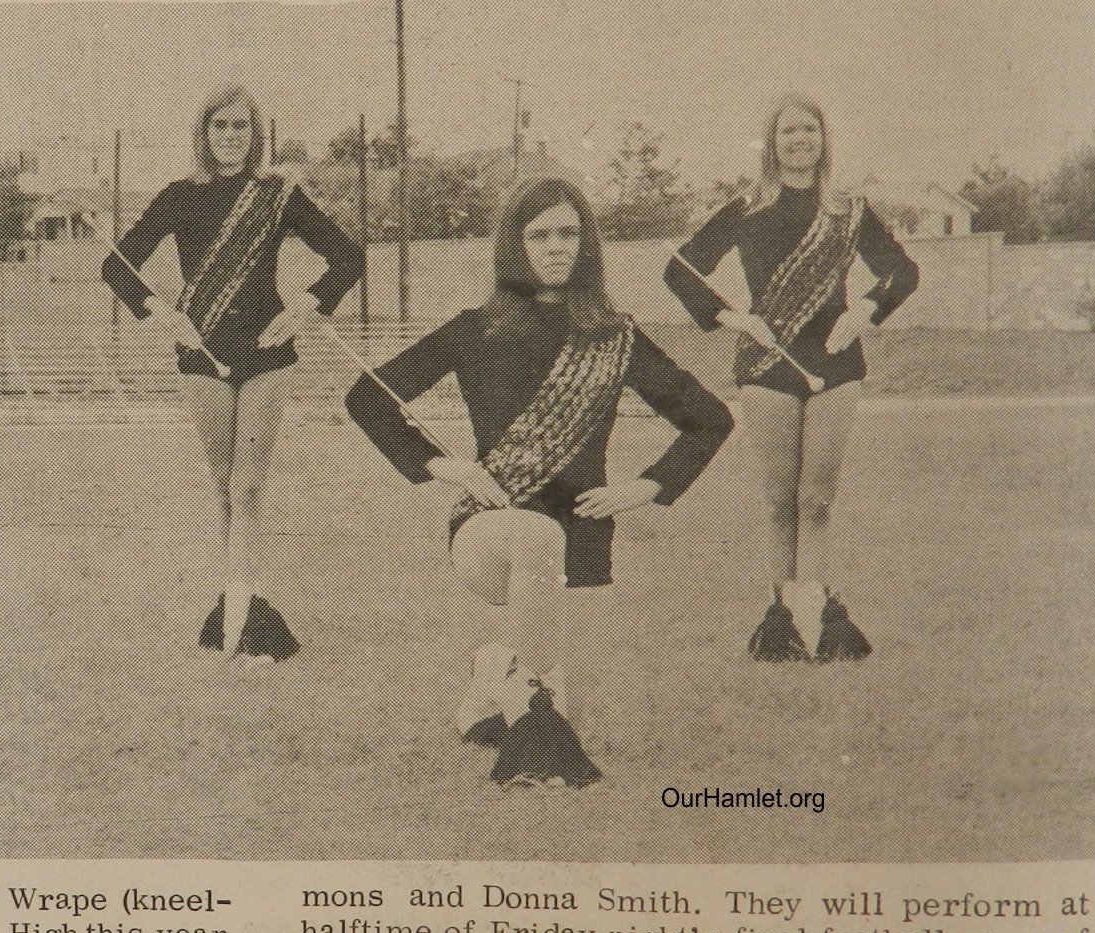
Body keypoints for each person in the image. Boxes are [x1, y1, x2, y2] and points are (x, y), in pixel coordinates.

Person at [346, 177, 732, 785]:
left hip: (577, 542)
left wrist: (646, 486)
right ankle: (532, 733)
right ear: (515, 246)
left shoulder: (616, 337)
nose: (557, 246)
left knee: (566, 684)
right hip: (487, 530)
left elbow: (709, 418)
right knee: (534, 551)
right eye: (540, 234)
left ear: (586, 245)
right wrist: (449, 467)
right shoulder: (479, 328)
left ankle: (494, 672)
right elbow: (368, 396)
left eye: (569, 234)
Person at [103, 84, 364, 660]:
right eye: (219, 126)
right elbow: (115, 265)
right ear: (204, 133)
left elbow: (350, 256)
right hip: (202, 357)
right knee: (227, 492)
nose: (230, 137)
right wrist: (159, 313)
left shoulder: (278, 194)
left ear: (256, 135)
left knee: (248, 489)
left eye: (240, 127)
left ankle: (239, 613)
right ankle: (242, 606)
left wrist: (306, 307)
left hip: (267, 355)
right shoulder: (178, 196)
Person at [665, 94, 918, 661]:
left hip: (835, 360)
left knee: (819, 498)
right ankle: (782, 622)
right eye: (787, 131)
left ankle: (821, 616)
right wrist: (733, 317)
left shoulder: (849, 211)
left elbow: (904, 271)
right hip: (767, 363)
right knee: (781, 500)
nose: (799, 139)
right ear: (771, 141)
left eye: (809, 129)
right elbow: (679, 269)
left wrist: (865, 312)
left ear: (824, 139)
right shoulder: (748, 206)